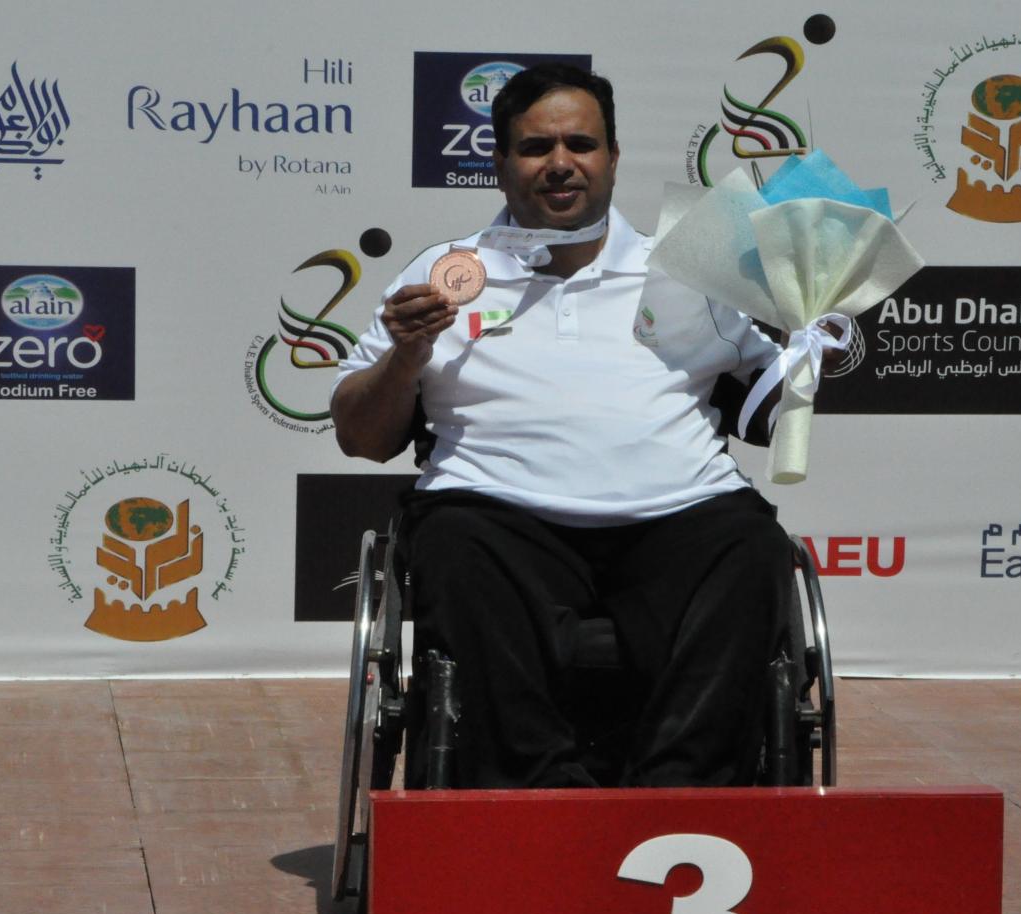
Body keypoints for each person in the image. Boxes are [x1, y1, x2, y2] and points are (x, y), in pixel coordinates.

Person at [331, 62, 792, 789]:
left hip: (679, 514)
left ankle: (677, 798)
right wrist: (406, 354)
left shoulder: (688, 269)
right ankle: (546, 800)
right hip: (500, 517)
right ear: (500, 163)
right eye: (535, 147)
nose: (560, 163)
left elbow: (777, 406)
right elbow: (361, 436)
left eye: (581, 143)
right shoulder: (442, 274)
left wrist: (823, 331)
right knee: (453, 542)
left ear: (612, 158)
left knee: (753, 546)